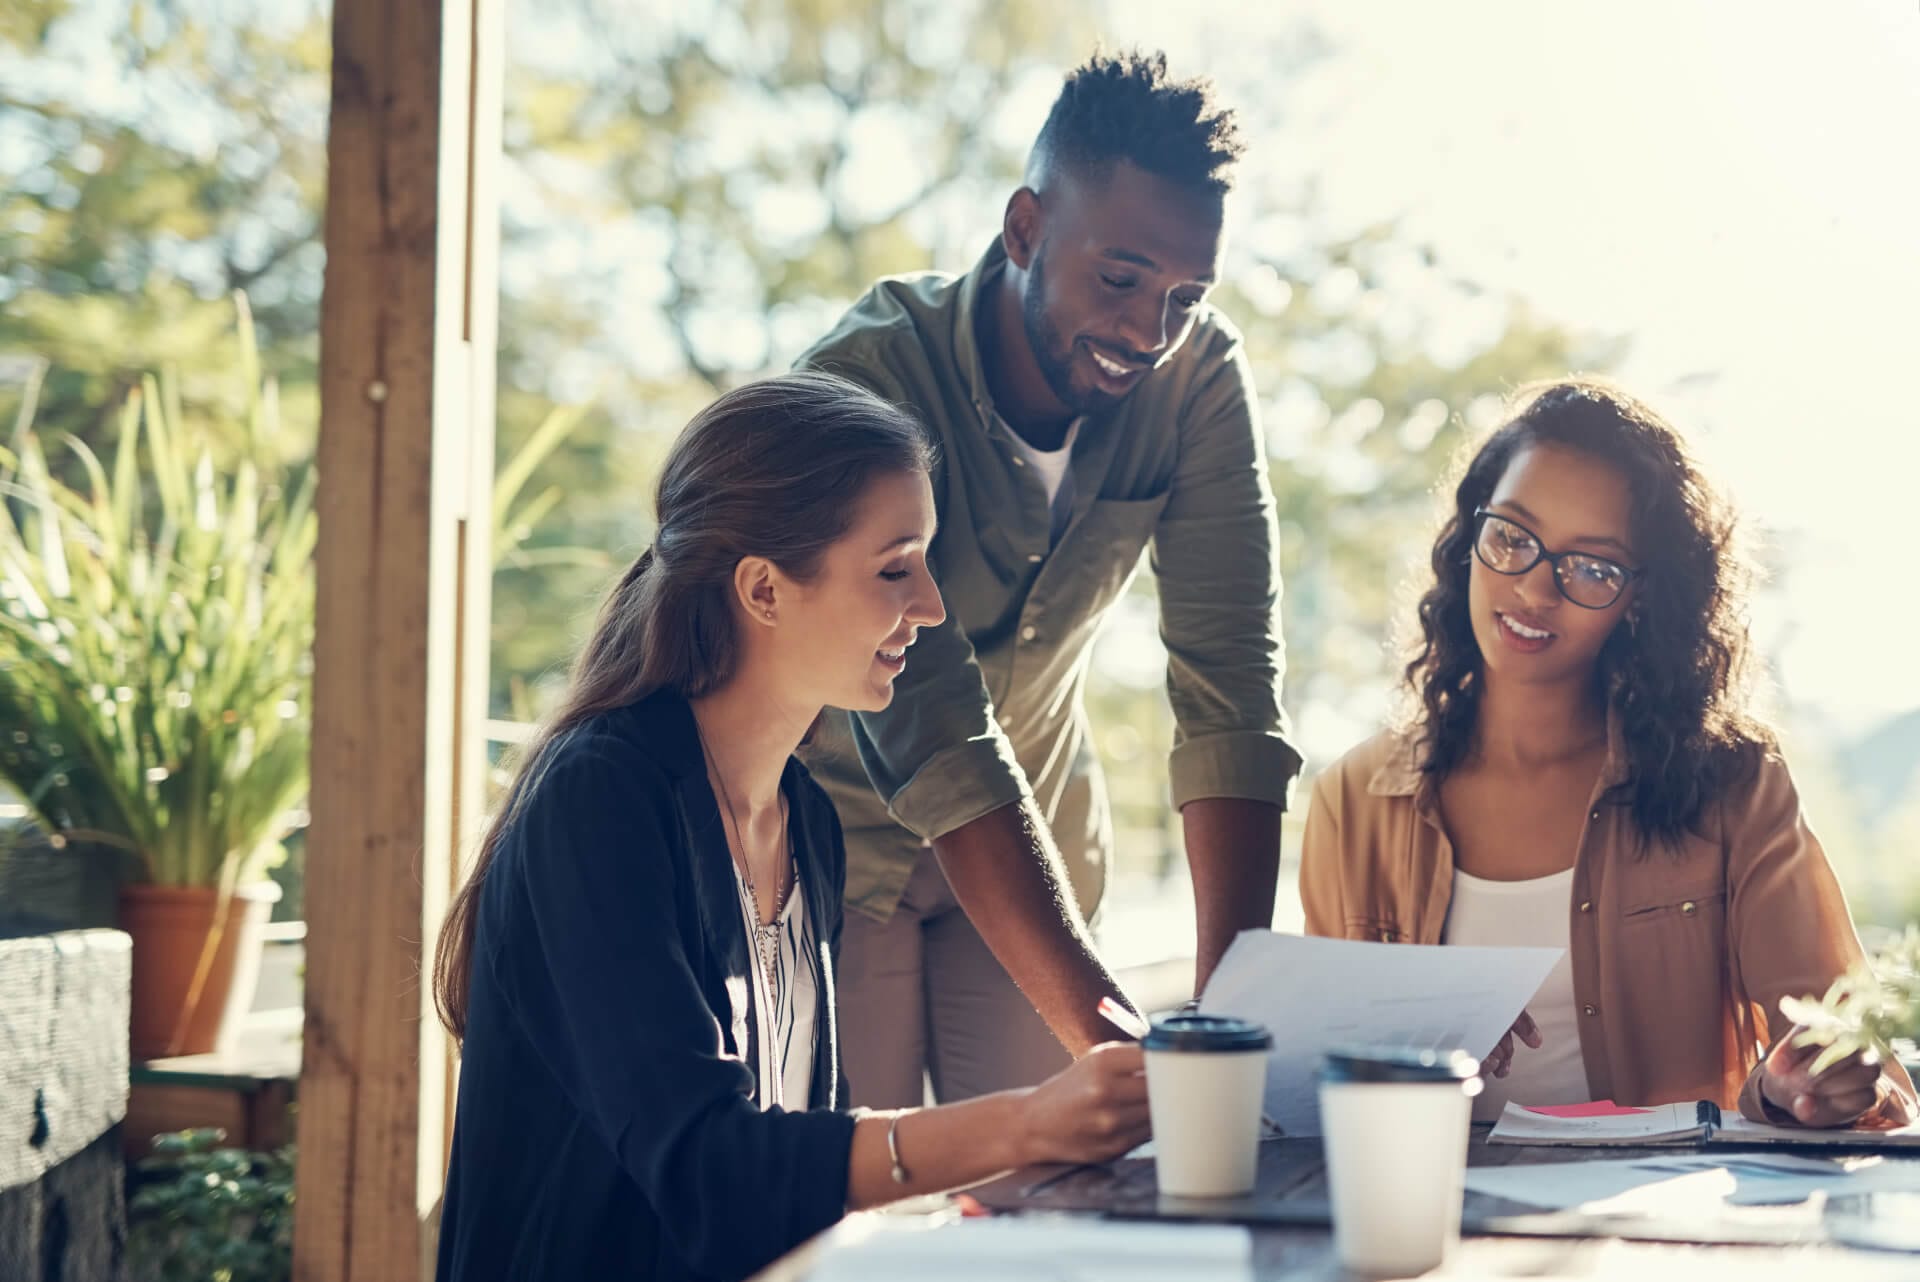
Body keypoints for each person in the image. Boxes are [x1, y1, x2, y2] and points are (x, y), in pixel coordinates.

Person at [431, 373, 1152, 1282]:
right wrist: (1027, 1120)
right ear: (764, 591)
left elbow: (795, 1173)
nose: (931, 605)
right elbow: (708, 1167)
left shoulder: (807, 817)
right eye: (895, 568)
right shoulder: (600, 801)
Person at [797, 49, 1302, 1109]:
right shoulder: (869, 383)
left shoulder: (1199, 381)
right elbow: (931, 723)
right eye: (1120, 279)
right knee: (852, 1207)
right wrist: (1118, 1035)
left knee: (1057, 1183)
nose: (1146, 334)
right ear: (1025, 227)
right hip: (839, 846)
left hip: (1038, 852)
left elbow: (1231, 685)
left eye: (1183, 296)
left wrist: (1226, 1017)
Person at [1299, 377, 1917, 1128]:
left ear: (1643, 598)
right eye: (1512, 537)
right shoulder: (1355, 799)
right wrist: (1421, 1051)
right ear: (1471, 537)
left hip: (1662, 1228)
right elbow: (1316, 1084)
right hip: (1424, 1210)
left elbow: (1854, 1064)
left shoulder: (1733, 780)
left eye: (1591, 566)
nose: (1533, 587)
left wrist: (1799, 1090)